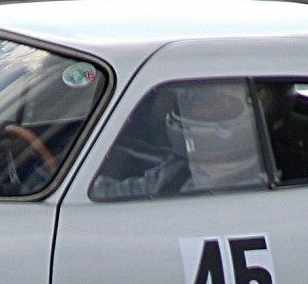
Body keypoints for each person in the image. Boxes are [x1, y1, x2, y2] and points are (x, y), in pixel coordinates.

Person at [90, 81, 267, 200]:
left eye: (206, 100)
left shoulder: (254, 190)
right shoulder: (179, 169)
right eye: (189, 99)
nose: (191, 107)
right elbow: (119, 194)